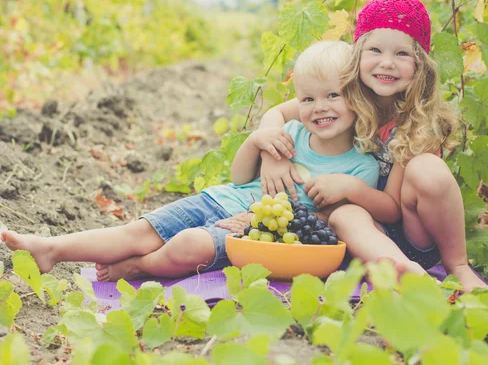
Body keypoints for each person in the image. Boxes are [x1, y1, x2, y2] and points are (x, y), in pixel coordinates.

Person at [1, 41, 379, 282]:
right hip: (219, 199)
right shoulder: (289, 134)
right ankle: (52, 249)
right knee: (141, 230)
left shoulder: (362, 167)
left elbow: (331, 225)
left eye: (333, 95)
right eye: (308, 99)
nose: (319, 107)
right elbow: (240, 175)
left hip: (249, 231)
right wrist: (257, 141)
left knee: (189, 247)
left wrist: (263, 218)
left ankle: (138, 267)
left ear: (358, 99)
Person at [219, 0, 488, 292]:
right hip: (360, 230)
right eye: (375, 50)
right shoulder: (344, 99)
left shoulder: (417, 123)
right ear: (357, 55)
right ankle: (397, 272)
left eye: (402, 54)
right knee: (345, 215)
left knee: (427, 167)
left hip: (409, 235)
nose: (387, 63)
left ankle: (458, 267)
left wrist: (350, 188)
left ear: (420, 65)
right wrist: (275, 154)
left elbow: (394, 209)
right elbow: (279, 112)